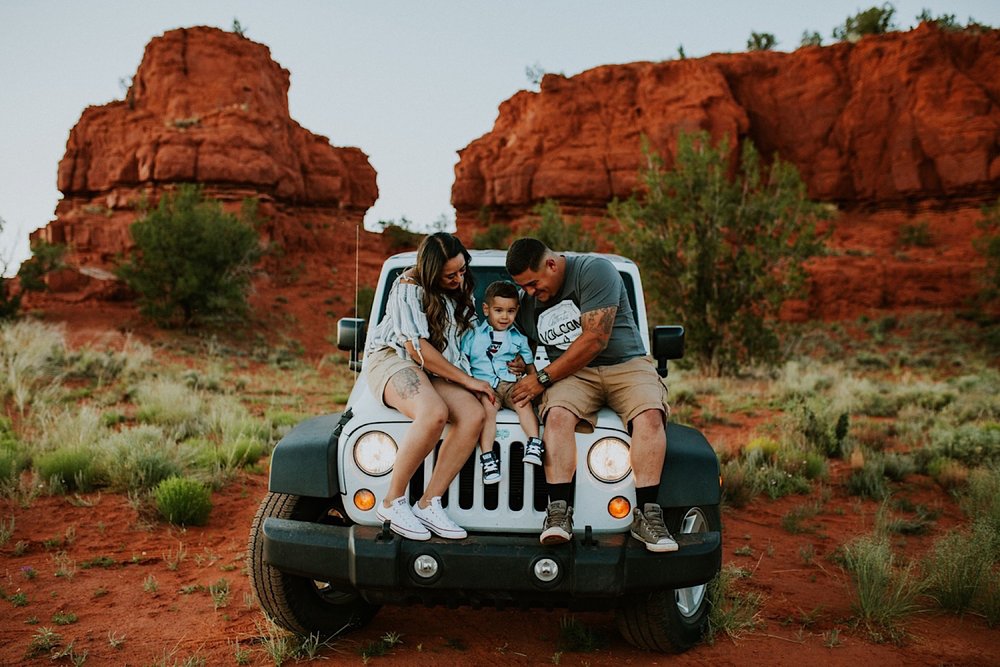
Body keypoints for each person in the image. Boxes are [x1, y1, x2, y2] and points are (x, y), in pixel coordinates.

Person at [505, 237, 678, 552]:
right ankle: (558, 513)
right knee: (556, 416)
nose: (530, 292)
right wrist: (516, 367)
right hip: (573, 374)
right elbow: (517, 347)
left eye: (533, 283)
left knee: (650, 416)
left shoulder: (594, 270)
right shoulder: (527, 303)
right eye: (523, 287)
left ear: (552, 264)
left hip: (626, 364)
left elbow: (596, 338)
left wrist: (541, 378)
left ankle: (648, 515)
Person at [364, 232, 494, 541]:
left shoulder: (463, 287)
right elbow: (416, 348)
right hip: (395, 358)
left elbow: (469, 339)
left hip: (437, 368)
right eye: (451, 274)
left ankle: (428, 502)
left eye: (463, 270)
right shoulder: (407, 289)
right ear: (431, 271)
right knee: (433, 412)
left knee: (474, 414)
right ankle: (392, 501)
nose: (459, 279)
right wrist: (467, 380)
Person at [460, 281, 544, 484]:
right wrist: (469, 387)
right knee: (487, 412)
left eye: (511, 311)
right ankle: (488, 457)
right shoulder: (472, 335)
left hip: (509, 384)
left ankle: (534, 443)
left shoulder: (519, 338)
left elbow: (530, 367)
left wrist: (534, 384)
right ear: (486, 309)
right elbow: (462, 362)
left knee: (523, 402)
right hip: (484, 385)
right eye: (498, 310)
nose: (505, 317)